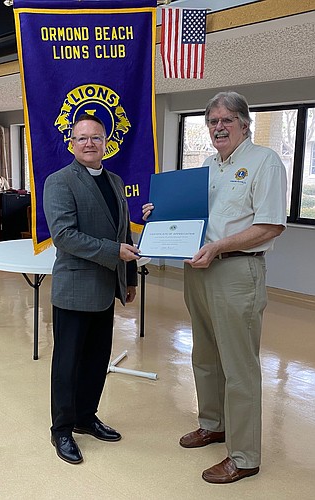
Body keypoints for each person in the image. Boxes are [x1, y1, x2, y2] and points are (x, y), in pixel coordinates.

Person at [143, 91, 287, 484]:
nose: (218, 127)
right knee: (205, 355)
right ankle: (213, 424)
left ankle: (244, 456)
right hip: (199, 270)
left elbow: (271, 224)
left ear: (244, 124)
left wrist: (219, 246)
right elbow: (193, 217)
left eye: (226, 120)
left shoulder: (264, 162)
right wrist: (161, 215)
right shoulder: (208, 166)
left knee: (239, 366)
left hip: (237, 272)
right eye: (212, 121)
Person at [43, 113, 139, 464]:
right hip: (73, 290)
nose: (89, 143)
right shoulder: (59, 181)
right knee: (67, 363)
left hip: (106, 288)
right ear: (71, 143)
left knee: (97, 360)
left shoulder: (114, 180)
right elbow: (64, 236)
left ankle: (85, 416)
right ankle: (62, 429)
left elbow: (122, 233)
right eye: (82, 138)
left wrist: (128, 278)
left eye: (96, 138)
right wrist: (115, 253)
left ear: (105, 143)